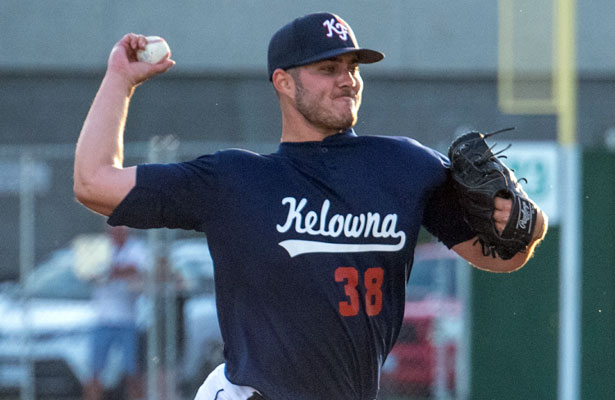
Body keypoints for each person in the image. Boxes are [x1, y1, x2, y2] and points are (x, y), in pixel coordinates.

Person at [74, 12, 548, 400]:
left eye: (353, 68)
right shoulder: (234, 181)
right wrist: (120, 80)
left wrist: (532, 222)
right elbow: (93, 183)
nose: (347, 80)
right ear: (282, 81)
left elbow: (502, 255)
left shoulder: (404, 166)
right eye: (328, 69)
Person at [82, 225, 147, 400]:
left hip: (127, 320)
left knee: (133, 371)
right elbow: (88, 272)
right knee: (95, 370)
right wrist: (114, 271)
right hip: (103, 319)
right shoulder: (101, 247)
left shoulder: (136, 248)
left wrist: (109, 271)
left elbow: (136, 269)